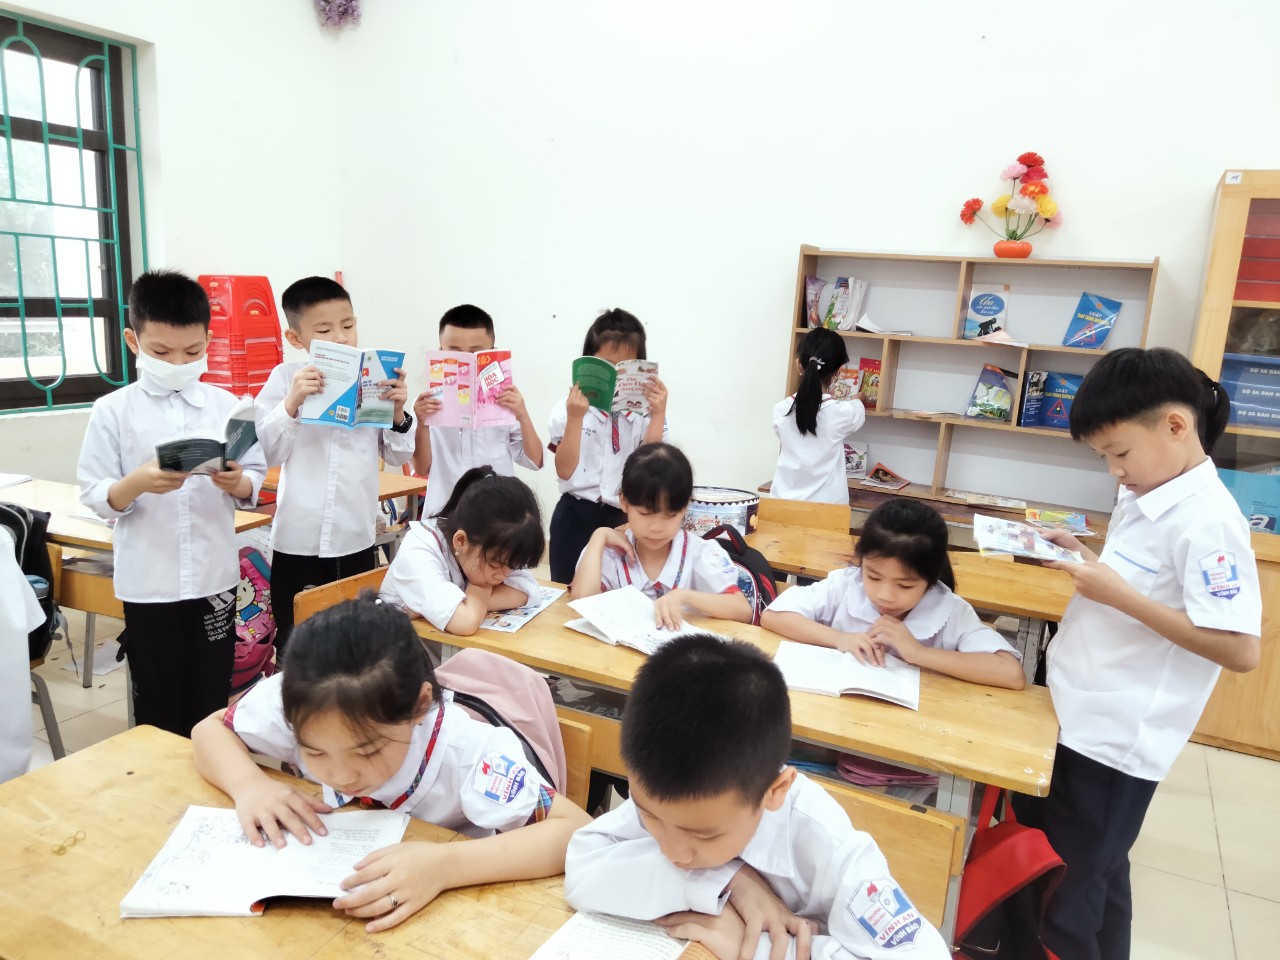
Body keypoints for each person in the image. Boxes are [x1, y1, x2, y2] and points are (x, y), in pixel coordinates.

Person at [1012, 347, 1261, 960]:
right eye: (1104, 457)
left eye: (1119, 453)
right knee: (1098, 878)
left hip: (1115, 739)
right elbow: (1140, 583)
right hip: (1079, 710)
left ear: (1176, 426)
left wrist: (1117, 595)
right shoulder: (1149, 491)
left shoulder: (1209, 523)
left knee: (1062, 895)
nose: (1114, 470)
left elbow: (1241, 649)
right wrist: (1082, 557)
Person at [192, 597, 590, 933]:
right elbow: (209, 730)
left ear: (419, 706)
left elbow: (573, 829)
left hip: (450, 919)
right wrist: (249, 785)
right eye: (314, 752)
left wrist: (446, 866)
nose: (341, 775)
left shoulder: (468, 752)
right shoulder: (302, 697)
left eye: (366, 751)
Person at [563, 633, 950, 960]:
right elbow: (581, 870)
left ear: (775, 792)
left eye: (703, 835)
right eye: (649, 817)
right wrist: (728, 879)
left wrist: (757, 947)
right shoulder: (670, 804)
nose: (673, 852)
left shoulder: (826, 844)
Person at [77, 270, 267, 735]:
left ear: (208, 342)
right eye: (162, 352)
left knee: (210, 695)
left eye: (192, 351)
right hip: (150, 583)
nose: (178, 362)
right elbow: (95, 493)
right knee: (157, 703)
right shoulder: (113, 410)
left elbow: (254, 477)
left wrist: (237, 482)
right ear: (133, 340)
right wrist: (137, 482)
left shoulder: (227, 405)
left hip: (214, 578)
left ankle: (206, 770)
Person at [255, 276, 413, 653]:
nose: (341, 338)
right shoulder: (284, 379)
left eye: (348, 325)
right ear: (295, 338)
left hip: (354, 535)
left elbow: (397, 456)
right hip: (298, 539)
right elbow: (266, 453)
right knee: (297, 645)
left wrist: (398, 413)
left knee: (354, 645)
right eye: (325, 330)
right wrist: (291, 403)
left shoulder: (374, 378)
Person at [761, 499, 1025, 690]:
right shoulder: (847, 584)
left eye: (905, 586)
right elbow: (773, 616)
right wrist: (840, 638)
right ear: (861, 562)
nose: (885, 595)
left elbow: (1011, 673)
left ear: (931, 579)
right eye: (874, 577)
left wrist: (918, 653)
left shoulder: (949, 610)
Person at [571, 442, 751, 628]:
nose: (656, 528)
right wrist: (599, 536)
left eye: (669, 515)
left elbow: (742, 611)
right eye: (645, 514)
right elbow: (580, 603)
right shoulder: (609, 551)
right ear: (623, 501)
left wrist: (684, 596)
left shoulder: (700, 553)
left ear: (685, 506)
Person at [547, 308, 668, 583]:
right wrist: (575, 419)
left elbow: (649, 469)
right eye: (606, 366)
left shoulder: (645, 415)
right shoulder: (568, 410)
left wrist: (658, 414)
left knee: (616, 590)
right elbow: (564, 470)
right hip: (574, 516)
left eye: (624, 367)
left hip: (623, 519)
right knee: (567, 591)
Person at [410, 304, 544, 518]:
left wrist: (523, 416)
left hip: (496, 516)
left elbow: (535, 461)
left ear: (491, 352)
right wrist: (422, 425)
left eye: (475, 353)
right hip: (444, 513)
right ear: (441, 352)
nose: (466, 362)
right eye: (454, 352)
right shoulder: (426, 403)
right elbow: (421, 468)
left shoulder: (506, 400)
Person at [379, 467, 542, 638]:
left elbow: (530, 590)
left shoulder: (490, 546)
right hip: (392, 648)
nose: (502, 575)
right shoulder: (419, 550)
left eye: (512, 565)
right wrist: (480, 587)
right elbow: (465, 622)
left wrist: (471, 603)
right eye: (495, 564)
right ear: (461, 541)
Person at [771, 328, 864, 504]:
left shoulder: (780, 410)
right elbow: (857, 409)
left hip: (782, 505)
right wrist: (858, 398)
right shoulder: (844, 412)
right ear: (838, 372)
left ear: (799, 365)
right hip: (827, 508)